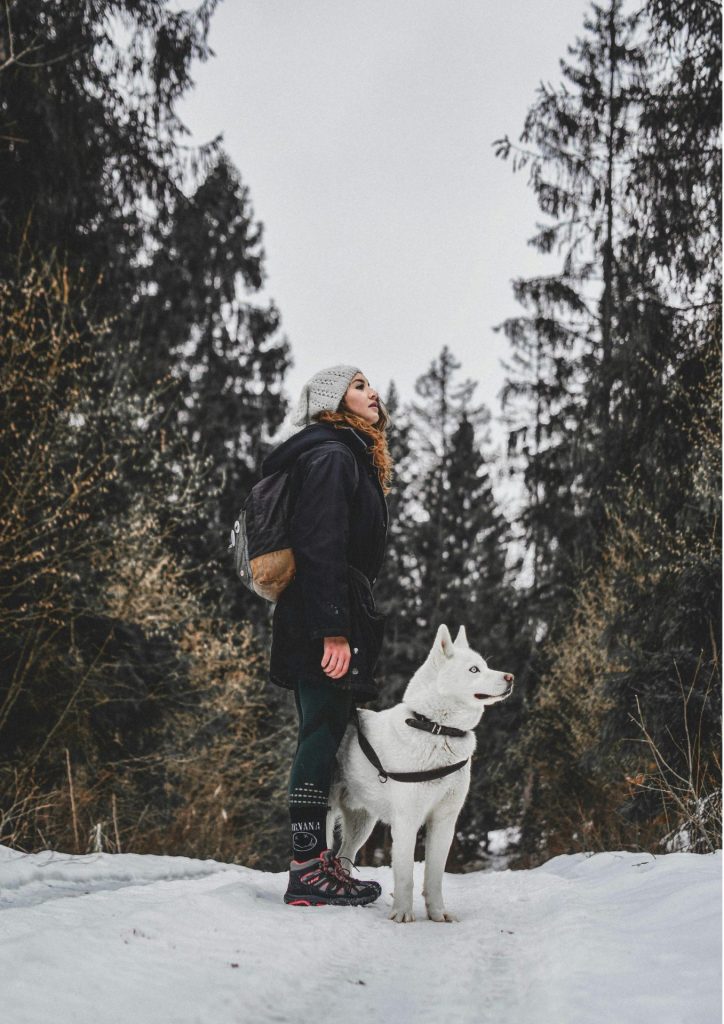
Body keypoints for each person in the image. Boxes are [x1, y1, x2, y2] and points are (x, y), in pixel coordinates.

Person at [262, 365, 392, 907]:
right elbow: (320, 543)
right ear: (332, 402)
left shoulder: (343, 453)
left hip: (327, 608)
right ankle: (307, 869)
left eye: (371, 384)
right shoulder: (334, 454)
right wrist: (333, 631)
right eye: (359, 386)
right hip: (323, 614)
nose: (373, 392)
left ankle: (316, 865)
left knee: (327, 728)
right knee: (319, 730)